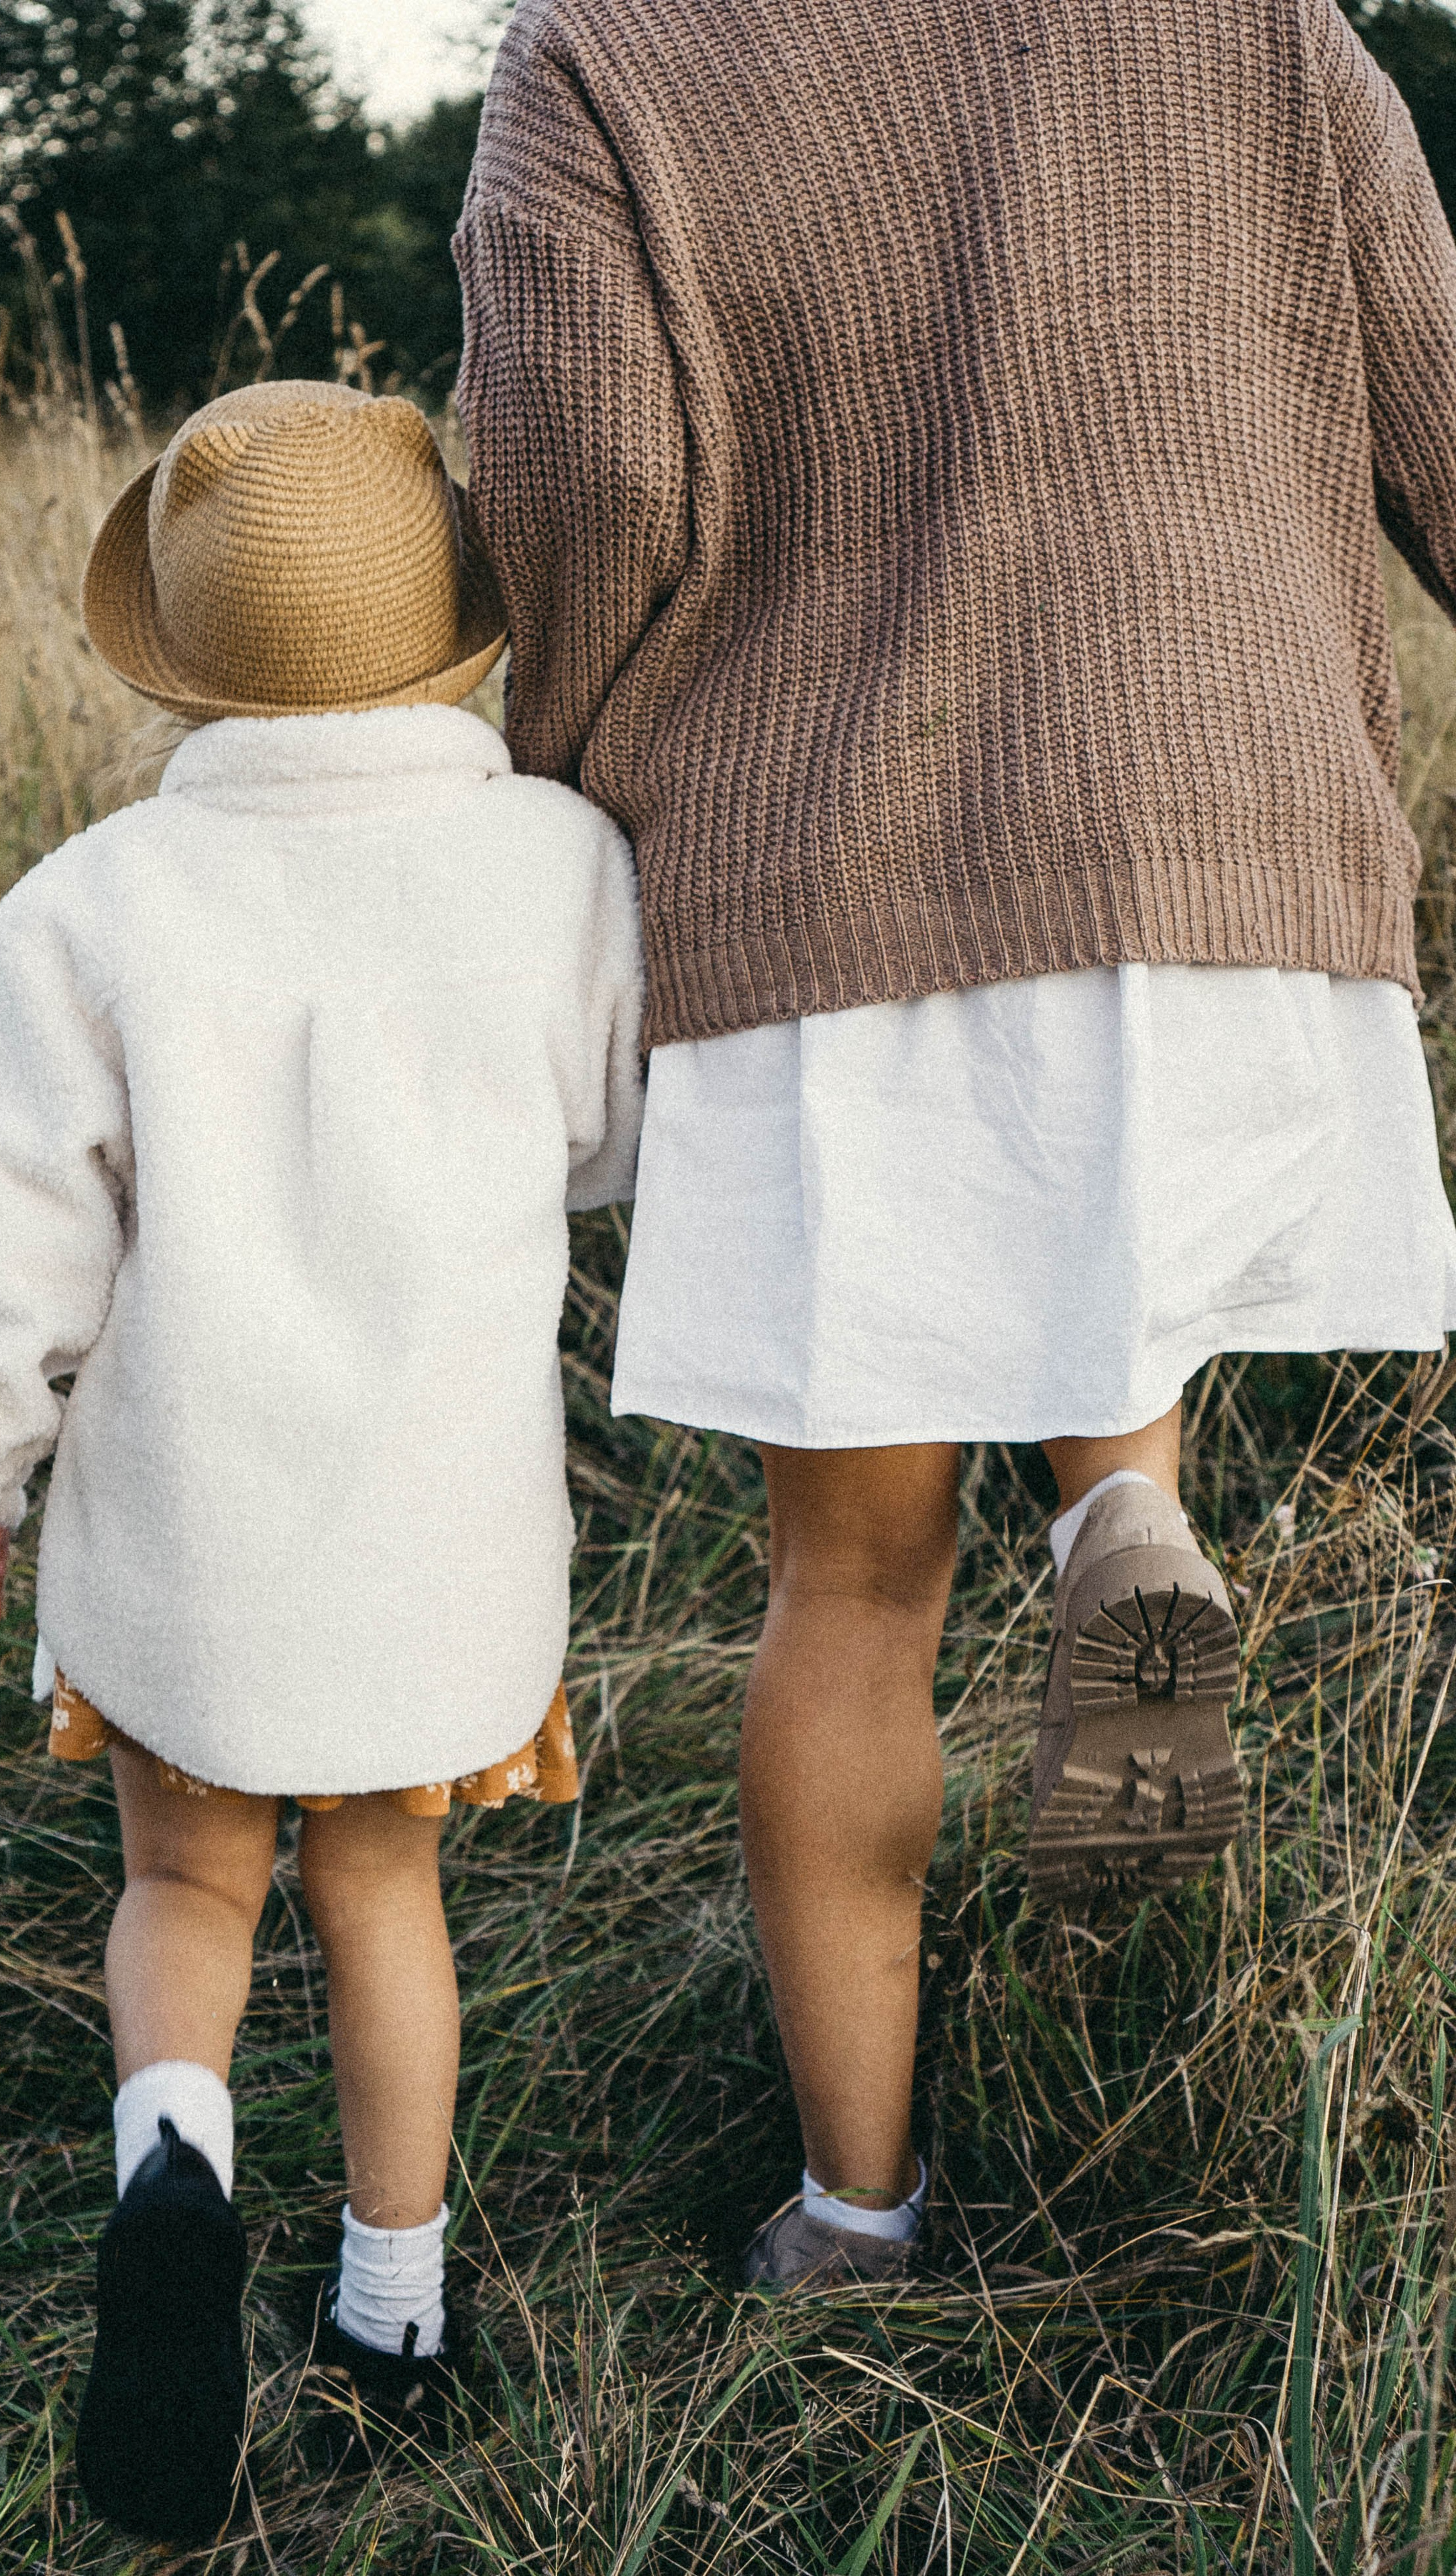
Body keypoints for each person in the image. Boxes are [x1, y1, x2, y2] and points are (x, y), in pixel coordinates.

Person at [453, 0, 1456, 2289]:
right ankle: (1121, 1511)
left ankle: (860, 2212)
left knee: (855, 1586)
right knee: (1109, 1282)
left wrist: (587, 777)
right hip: (1224, 843)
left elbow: (589, 487)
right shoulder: (1261, 25)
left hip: (841, 874)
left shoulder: (606, 57)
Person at [0, 380, 644, 2543]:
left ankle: (177, 2159)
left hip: (187, 1532)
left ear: (181, 652)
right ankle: (393, 2311)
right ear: (461, 629)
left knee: (184, 1881)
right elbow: (606, 1139)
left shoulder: (90, 908)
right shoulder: (561, 865)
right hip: (437, 1534)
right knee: (379, 1888)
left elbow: (7, 1227)